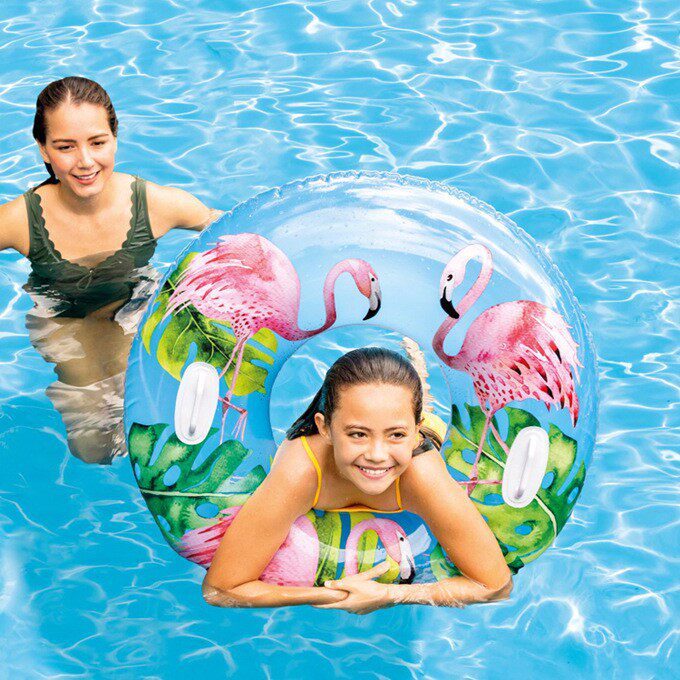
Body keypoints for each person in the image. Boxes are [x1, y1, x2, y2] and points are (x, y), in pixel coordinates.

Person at [0, 76, 222, 463]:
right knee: (94, 449)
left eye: (98, 143)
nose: (85, 161)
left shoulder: (155, 204)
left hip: (133, 305)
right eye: (65, 147)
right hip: (64, 320)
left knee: (149, 422)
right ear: (43, 150)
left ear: (115, 139)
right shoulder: (22, 219)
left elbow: (232, 229)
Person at [202, 347, 513, 614]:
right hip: (339, 442)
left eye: (397, 435)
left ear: (413, 431)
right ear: (324, 428)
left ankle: (418, 384)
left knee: (429, 424)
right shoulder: (301, 470)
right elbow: (220, 589)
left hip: (420, 438)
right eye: (357, 434)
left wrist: (390, 594)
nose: (377, 455)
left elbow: (496, 585)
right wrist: (332, 595)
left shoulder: (422, 474)